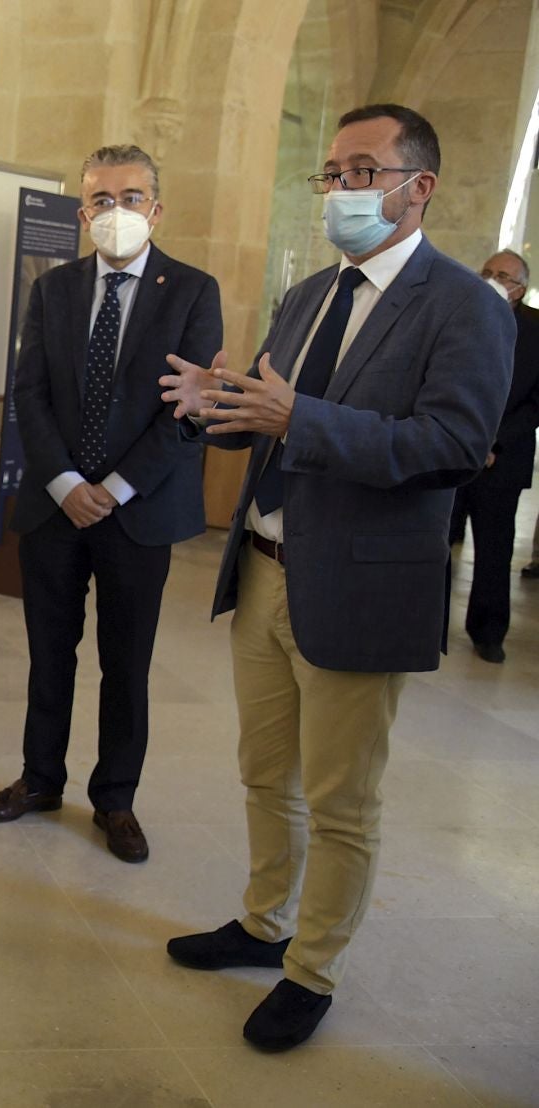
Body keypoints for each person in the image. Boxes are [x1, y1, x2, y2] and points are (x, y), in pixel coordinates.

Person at [158, 104, 514, 1051]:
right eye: (333, 173)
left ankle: (313, 970)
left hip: (360, 580)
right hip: (268, 566)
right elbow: (270, 415)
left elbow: (453, 445)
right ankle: (264, 923)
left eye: (362, 171)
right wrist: (212, 408)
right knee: (264, 773)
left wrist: (295, 420)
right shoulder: (312, 291)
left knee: (343, 797)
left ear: (417, 188)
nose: (342, 190)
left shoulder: (464, 305)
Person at [0, 145, 222, 864]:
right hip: (55, 508)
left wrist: (110, 490)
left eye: (132, 196)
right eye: (102, 200)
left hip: (138, 512)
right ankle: (40, 780)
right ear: (82, 215)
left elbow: (188, 409)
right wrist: (64, 486)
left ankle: (115, 799)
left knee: (126, 662)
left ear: (157, 208)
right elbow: (30, 394)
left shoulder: (193, 292)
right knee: (50, 654)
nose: (117, 212)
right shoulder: (53, 290)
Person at [447, 250, 539, 662]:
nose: (492, 280)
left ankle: (488, 631)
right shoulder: (462, 313)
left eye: (502, 275)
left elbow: (535, 403)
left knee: (494, 549)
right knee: (435, 541)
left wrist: (491, 442)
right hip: (451, 451)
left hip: (502, 461)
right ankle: (428, 621)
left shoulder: (536, 330)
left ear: (521, 287)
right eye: (486, 271)